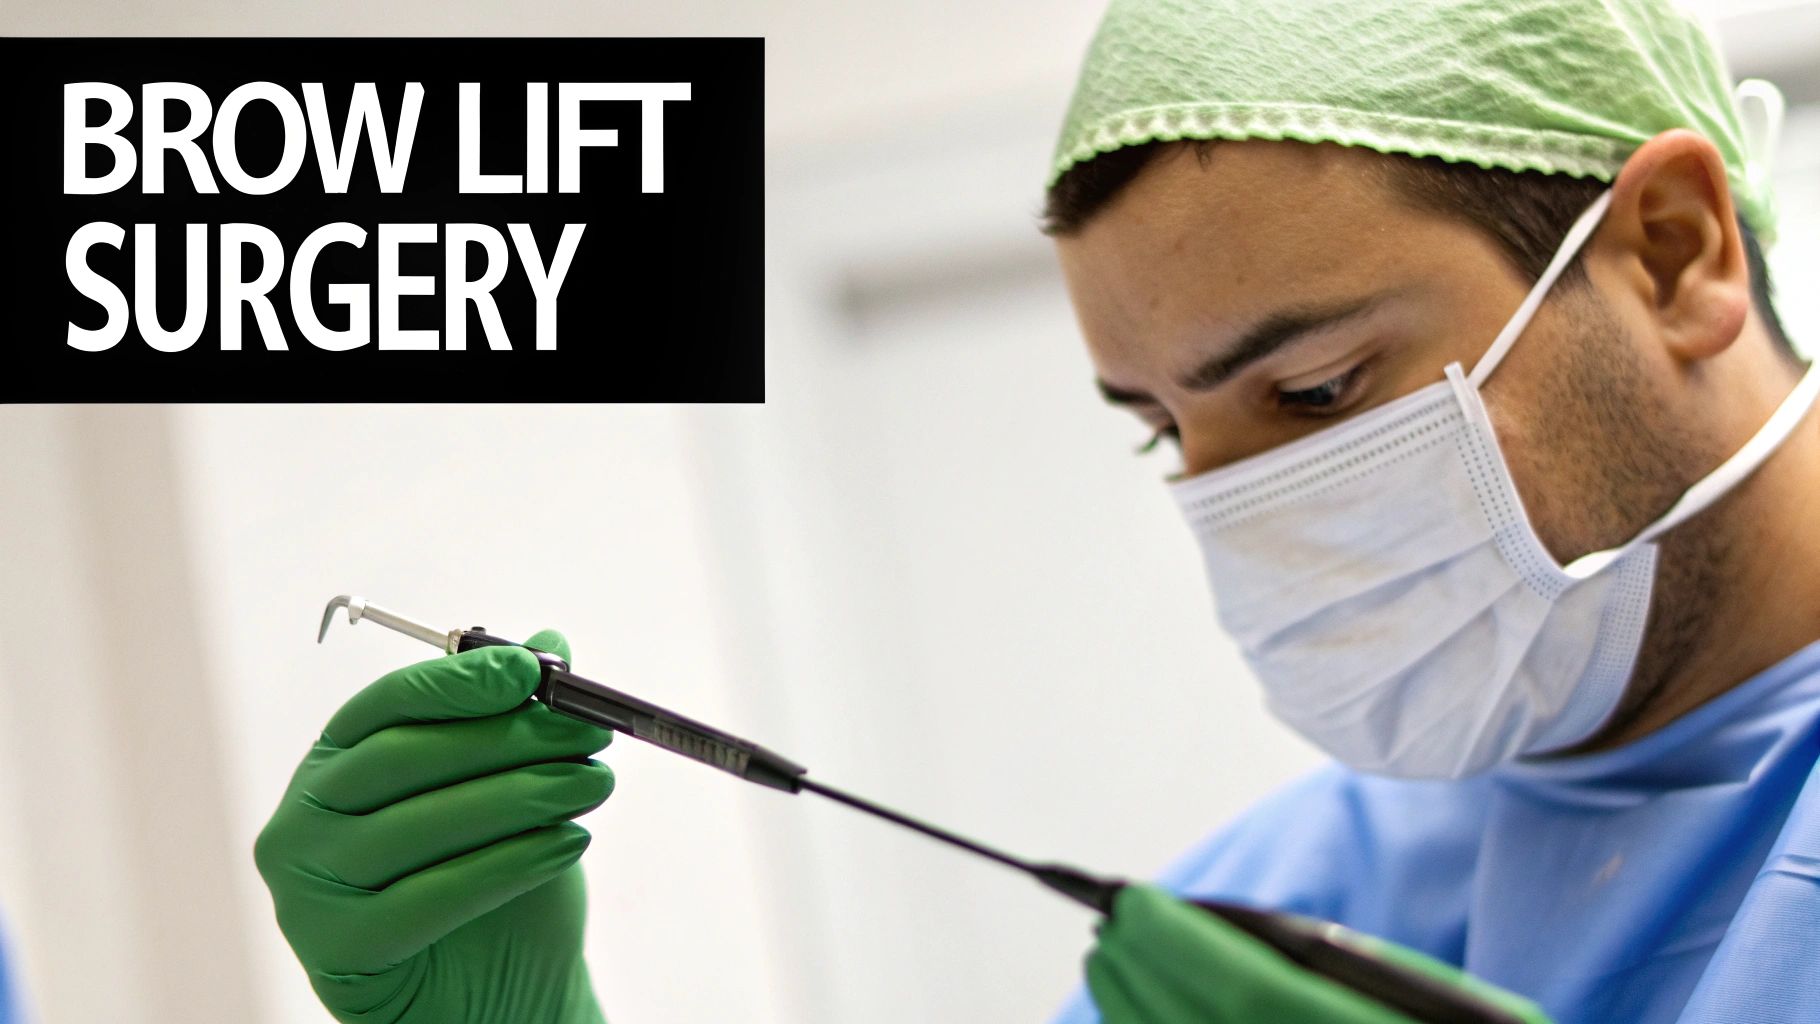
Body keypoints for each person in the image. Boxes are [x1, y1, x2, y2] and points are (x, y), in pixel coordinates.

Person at [254, 1, 1820, 1022]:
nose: (1244, 508)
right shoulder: (1276, 921)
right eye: (1161, 433)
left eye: (1321, 394)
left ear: (1675, 252)